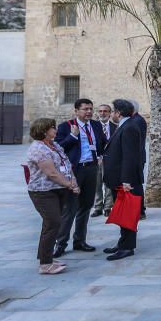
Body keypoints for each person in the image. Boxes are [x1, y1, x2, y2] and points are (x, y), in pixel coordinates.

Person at [26, 118, 80, 274]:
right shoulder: (38, 148)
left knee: (51, 224)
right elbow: (51, 173)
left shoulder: (54, 145)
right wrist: (69, 185)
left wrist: (73, 181)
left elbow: (66, 164)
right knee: (53, 223)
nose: (55, 130)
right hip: (42, 192)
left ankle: (45, 257)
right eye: (52, 128)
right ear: (43, 130)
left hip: (57, 189)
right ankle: (45, 265)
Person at [53, 98, 105, 258]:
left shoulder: (96, 125)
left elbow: (102, 143)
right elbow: (58, 148)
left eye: (90, 108)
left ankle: (80, 240)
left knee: (85, 206)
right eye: (85, 109)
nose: (89, 112)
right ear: (76, 111)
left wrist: (102, 155)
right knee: (70, 208)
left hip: (92, 169)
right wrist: (73, 136)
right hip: (74, 171)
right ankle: (60, 244)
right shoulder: (66, 127)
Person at [102, 99, 145, 260]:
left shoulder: (130, 128)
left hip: (125, 181)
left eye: (113, 111)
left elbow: (130, 156)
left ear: (118, 113)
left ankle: (127, 247)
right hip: (118, 178)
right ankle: (122, 242)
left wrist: (126, 180)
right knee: (122, 214)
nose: (111, 113)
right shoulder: (126, 126)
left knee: (127, 215)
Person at [91, 103, 117, 218]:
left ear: (110, 113)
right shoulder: (92, 127)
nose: (103, 113)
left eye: (105, 111)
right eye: (100, 111)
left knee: (108, 184)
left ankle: (107, 207)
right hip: (96, 160)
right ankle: (97, 207)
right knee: (96, 184)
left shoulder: (116, 128)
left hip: (110, 160)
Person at [128, 100, 148, 219]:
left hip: (137, 158)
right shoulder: (134, 120)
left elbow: (137, 142)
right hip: (136, 157)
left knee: (136, 185)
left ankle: (140, 210)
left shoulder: (137, 121)